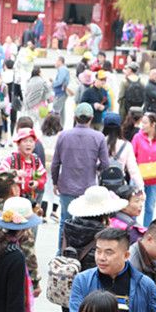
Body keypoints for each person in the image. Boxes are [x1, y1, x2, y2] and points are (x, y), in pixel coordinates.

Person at [50, 102, 110, 247]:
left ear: (75, 117)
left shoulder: (63, 136)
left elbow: (55, 163)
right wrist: (95, 168)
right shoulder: (99, 137)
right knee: (86, 224)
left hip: (66, 186)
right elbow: (106, 164)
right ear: (91, 118)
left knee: (65, 222)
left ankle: (61, 252)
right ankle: (80, 253)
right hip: (88, 188)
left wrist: (55, 182)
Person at [132, 113, 156, 226]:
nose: (142, 125)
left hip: (155, 180)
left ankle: (146, 229)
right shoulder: (137, 137)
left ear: (153, 124)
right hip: (138, 178)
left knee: (149, 207)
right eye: (142, 122)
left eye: (145, 123)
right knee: (134, 206)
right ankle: (132, 229)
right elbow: (132, 156)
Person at [0, 128, 47, 204]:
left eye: (31, 141)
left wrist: (37, 183)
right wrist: (14, 174)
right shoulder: (10, 160)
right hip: (11, 202)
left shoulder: (36, 161)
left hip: (29, 201)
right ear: (18, 144)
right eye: (25, 141)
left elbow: (42, 177)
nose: (28, 144)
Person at [101, 112, 144, 188]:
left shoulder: (99, 143)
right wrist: (140, 187)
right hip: (119, 186)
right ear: (119, 127)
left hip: (102, 185)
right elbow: (133, 170)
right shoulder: (126, 145)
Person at [51, 56, 70, 125]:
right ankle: (61, 126)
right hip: (61, 92)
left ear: (60, 62)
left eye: (56, 61)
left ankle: (56, 126)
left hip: (60, 93)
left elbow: (60, 81)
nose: (55, 63)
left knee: (56, 110)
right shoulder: (63, 69)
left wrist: (52, 84)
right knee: (61, 111)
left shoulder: (62, 69)